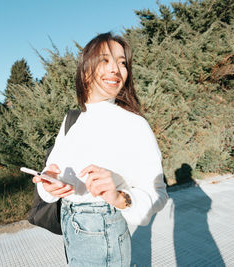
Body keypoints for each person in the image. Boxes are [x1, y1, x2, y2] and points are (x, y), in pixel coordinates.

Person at [32, 32, 168, 267]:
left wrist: (119, 197)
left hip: (104, 233)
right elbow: (52, 178)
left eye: (122, 62)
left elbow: (158, 193)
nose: (115, 68)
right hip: (71, 228)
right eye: (105, 60)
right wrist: (50, 185)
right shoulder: (71, 120)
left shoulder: (134, 124)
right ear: (86, 71)